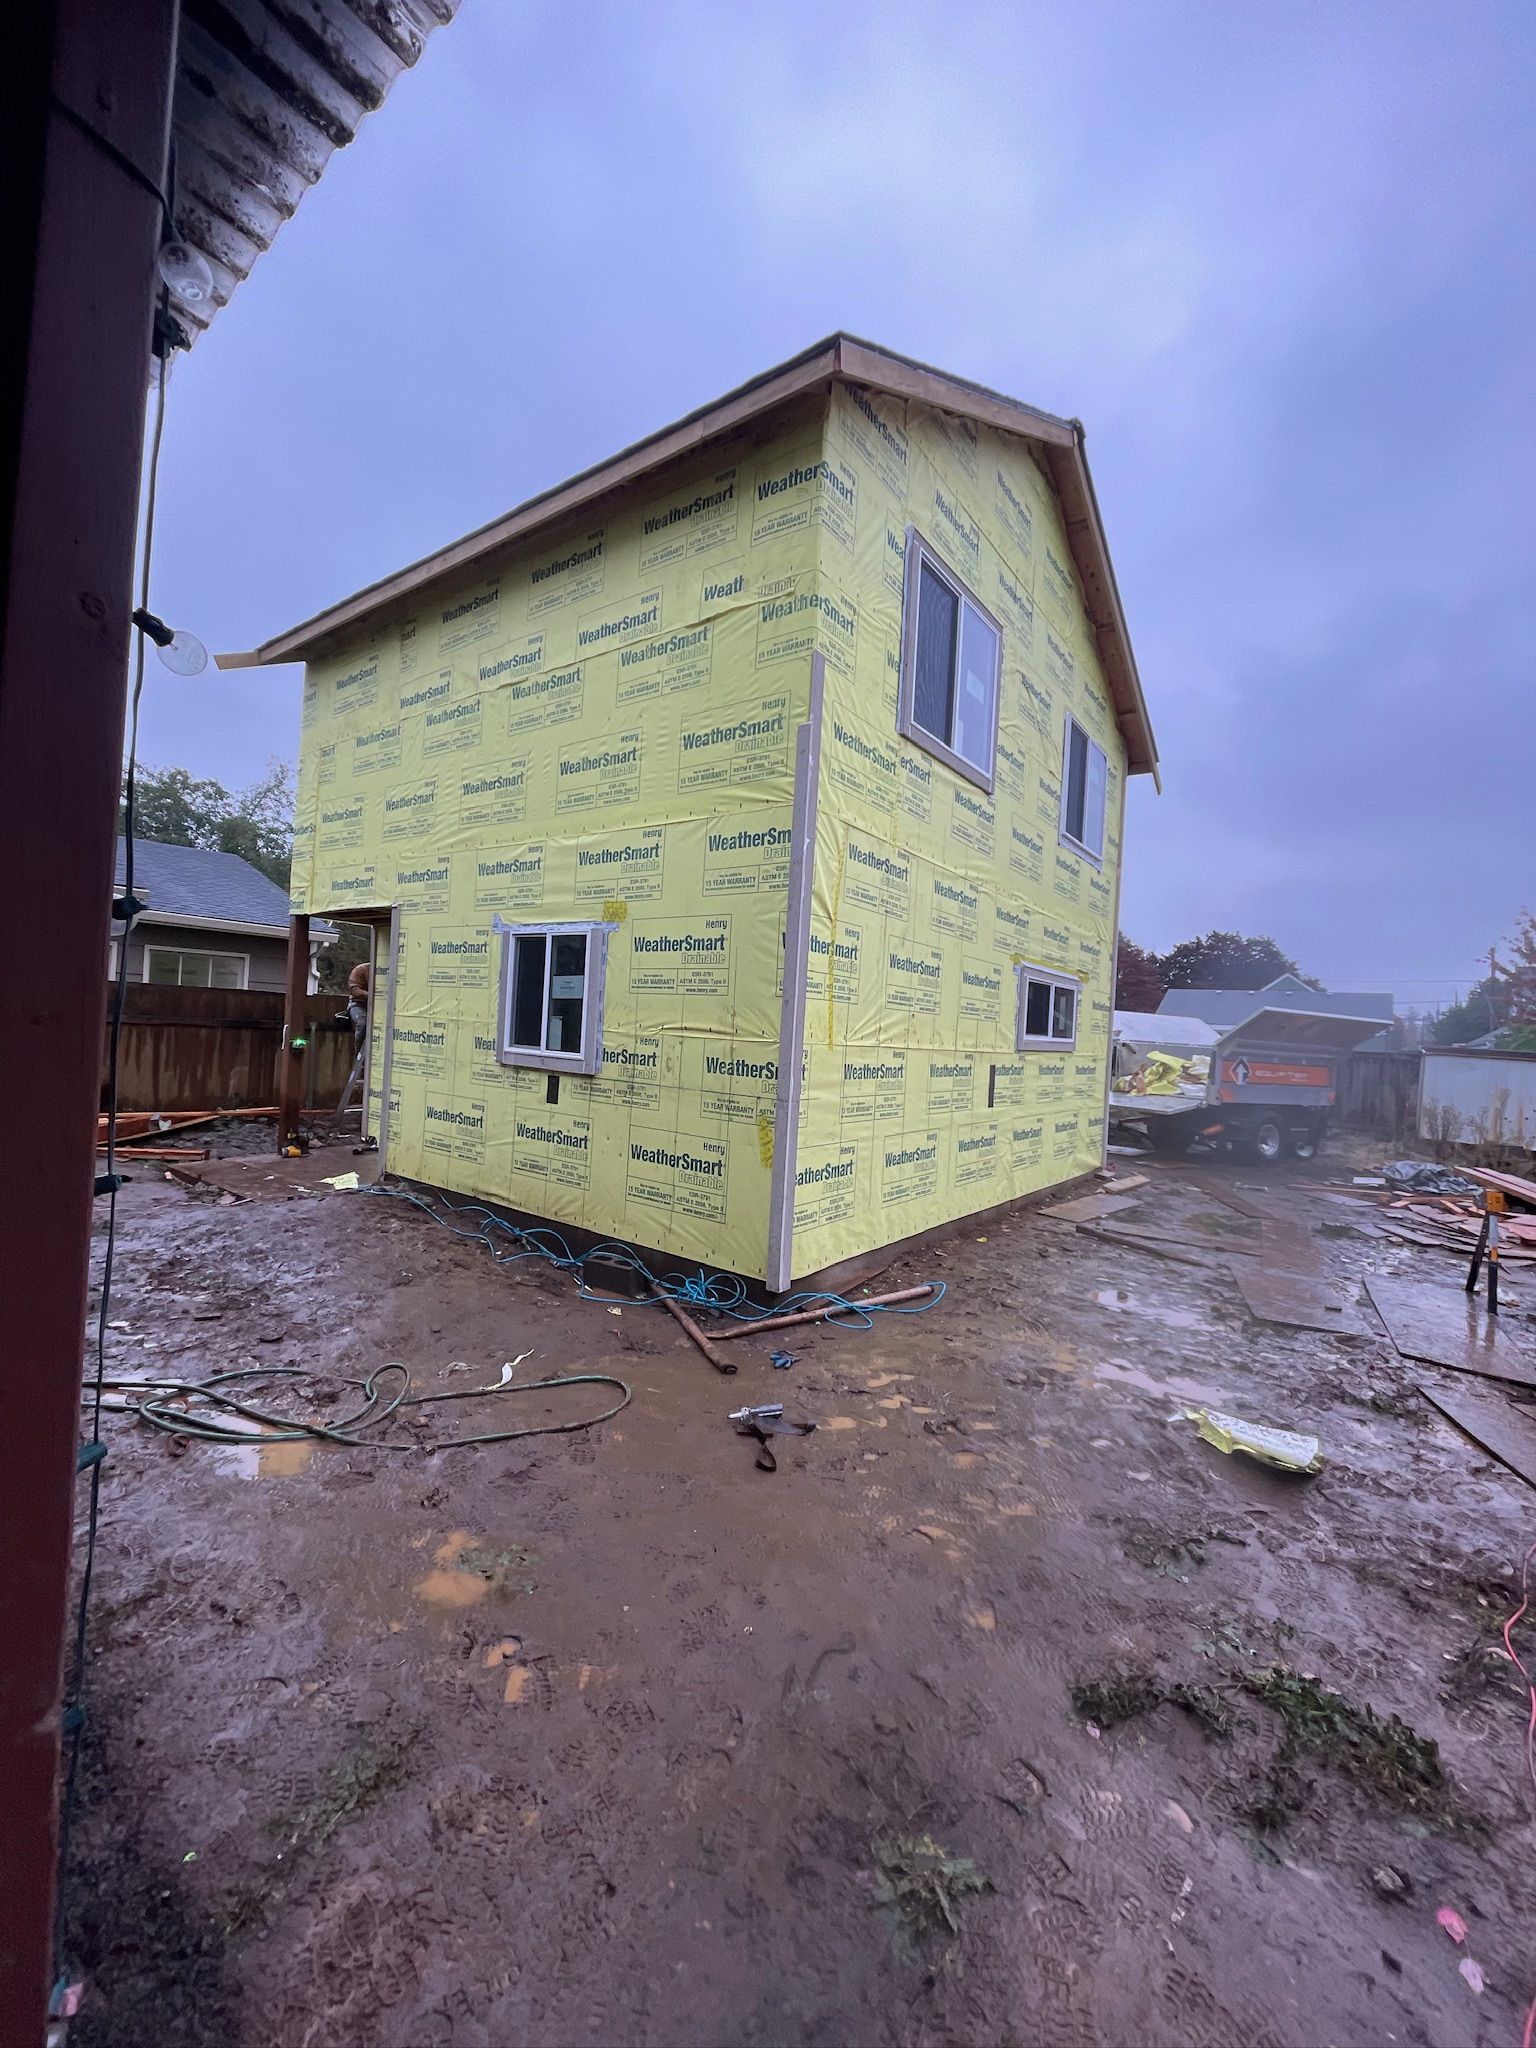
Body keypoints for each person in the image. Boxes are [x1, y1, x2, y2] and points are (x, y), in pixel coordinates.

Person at [346, 957, 370, 1046]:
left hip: (378, 1007)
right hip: (358, 1005)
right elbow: (354, 990)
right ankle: (358, 1052)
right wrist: (370, 995)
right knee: (362, 1022)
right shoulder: (361, 969)